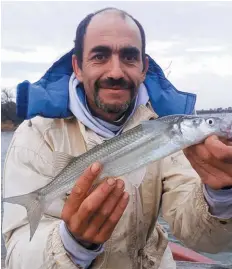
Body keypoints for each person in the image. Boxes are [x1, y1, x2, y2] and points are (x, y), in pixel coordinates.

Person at [3, 7, 232, 269]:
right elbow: (17, 255)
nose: (115, 72)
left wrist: (220, 196)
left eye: (129, 57)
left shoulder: (166, 127)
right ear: (77, 67)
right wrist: (71, 244)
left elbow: (201, 237)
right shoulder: (35, 135)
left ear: (144, 68)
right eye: (100, 56)